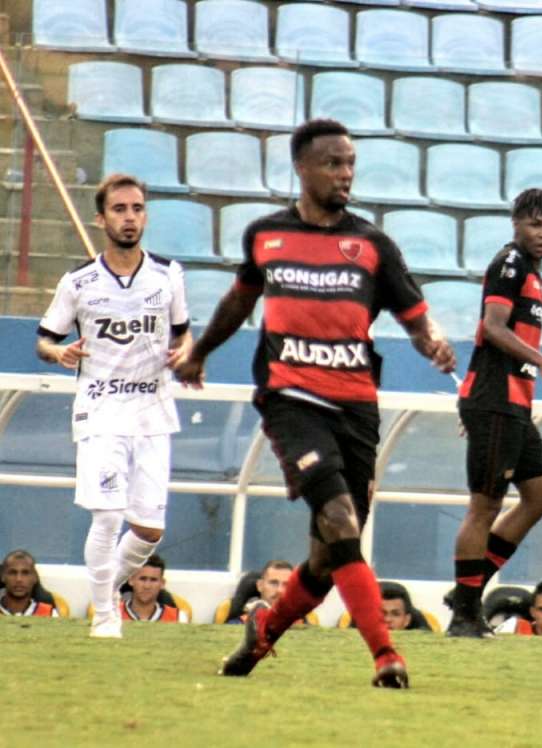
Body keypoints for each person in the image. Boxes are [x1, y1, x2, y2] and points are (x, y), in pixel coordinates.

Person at [175, 118, 455, 688]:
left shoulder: (373, 245)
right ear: (301, 168)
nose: (345, 173)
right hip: (291, 400)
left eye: (350, 163)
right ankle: (386, 657)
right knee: (339, 520)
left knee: (328, 560)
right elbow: (237, 302)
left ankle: (261, 635)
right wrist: (200, 352)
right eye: (333, 163)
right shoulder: (265, 235)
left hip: (356, 407)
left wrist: (435, 344)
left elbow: (416, 318)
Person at [36, 173, 193, 640]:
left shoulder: (169, 275)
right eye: (120, 209)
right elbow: (46, 338)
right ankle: (106, 616)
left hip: (153, 411)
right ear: (101, 218)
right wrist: (59, 353)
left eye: (137, 208)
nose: (130, 217)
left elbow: (183, 332)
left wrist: (185, 351)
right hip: (101, 409)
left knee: (148, 531)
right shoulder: (79, 281)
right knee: (106, 515)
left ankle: (101, 595)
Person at [447, 189, 542, 638]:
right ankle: (464, 613)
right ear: (516, 223)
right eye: (536, 224)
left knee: (540, 496)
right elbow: (492, 328)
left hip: (514, 401)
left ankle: (468, 586)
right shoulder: (510, 264)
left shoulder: (532, 274)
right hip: (495, 399)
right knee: (484, 507)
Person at [227, 560, 318, 626]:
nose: (280, 590)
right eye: (273, 583)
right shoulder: (238, 625)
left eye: (287, 585)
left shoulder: (304, 627)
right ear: (260, 586)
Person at [120, 554, 188, 623]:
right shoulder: (113, 613)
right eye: (142, 579)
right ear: (131, 580)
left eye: (153, 580)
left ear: (162, 583)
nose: (147, 586)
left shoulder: (178, 618)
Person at [0, 550, 60, 617]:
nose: (19, 579)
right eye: (13, 573)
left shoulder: (50, 614)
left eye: (25, 573)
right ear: (3, 577)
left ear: (35, 578)